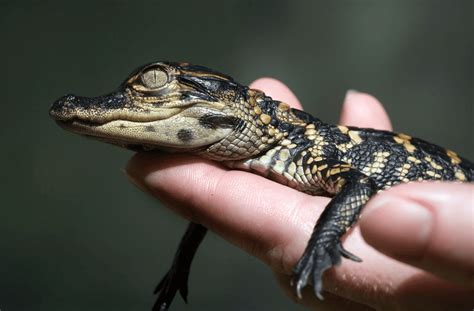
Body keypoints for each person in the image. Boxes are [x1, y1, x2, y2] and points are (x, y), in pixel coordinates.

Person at [126, 78, 474, 310]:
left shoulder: (307, 149)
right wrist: (180, 266)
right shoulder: (254, 158)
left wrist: (321, 243)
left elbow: (359, 185)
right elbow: (203, 213)